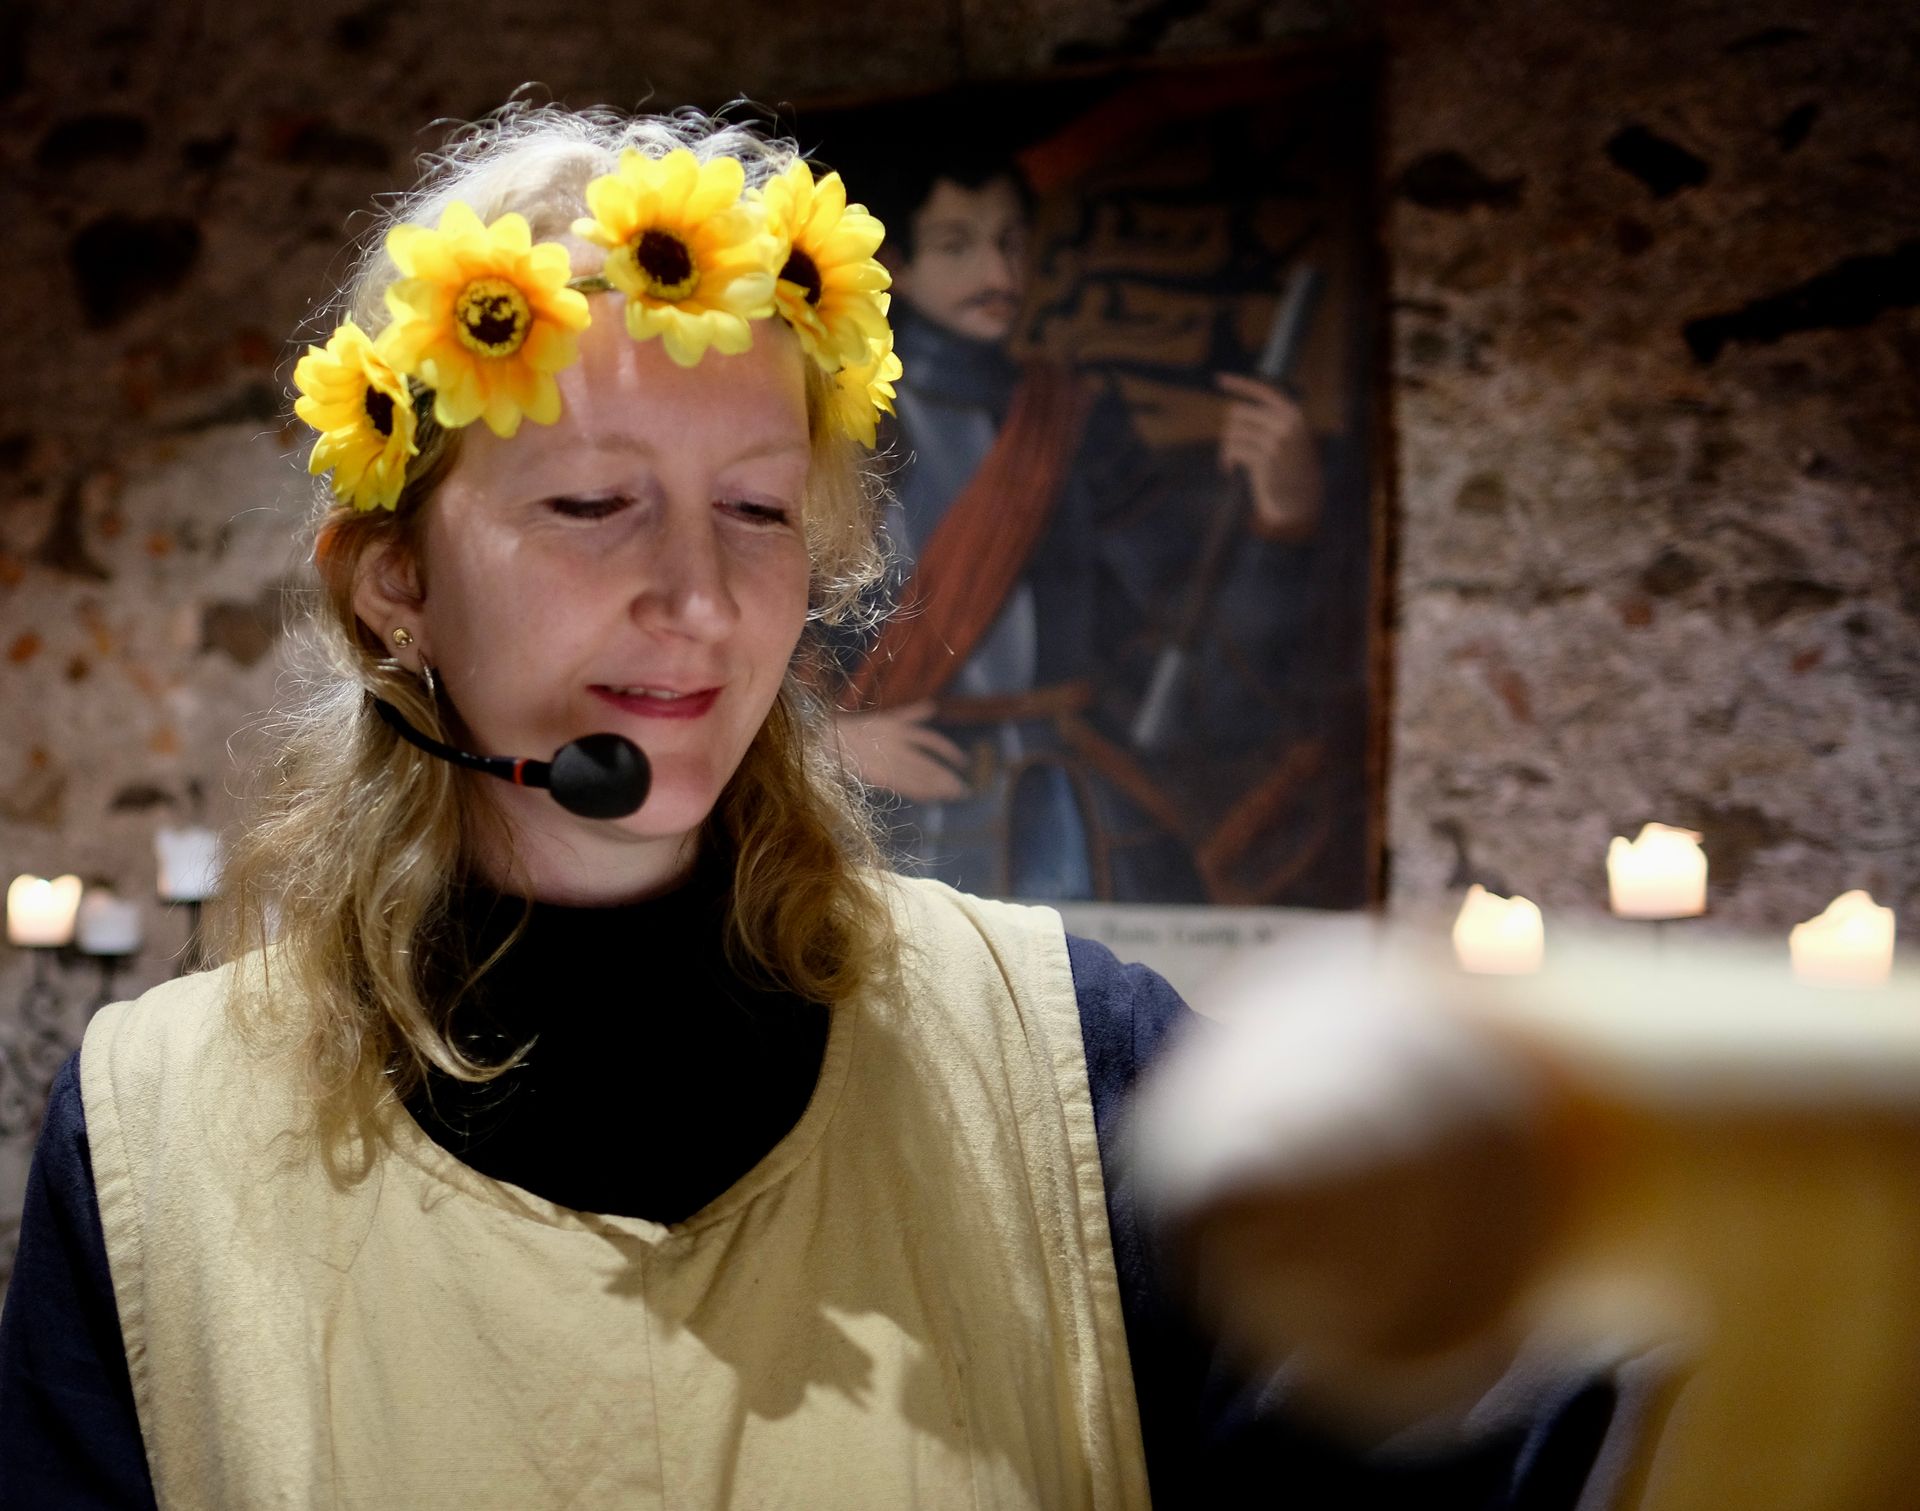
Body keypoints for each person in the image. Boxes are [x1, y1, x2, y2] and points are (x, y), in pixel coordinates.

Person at [0, 106, 1613, 1508]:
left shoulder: (1079, 1059)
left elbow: (1464, 1441)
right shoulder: (152, 1141)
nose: (700, 599)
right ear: (394, 583)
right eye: (593, 502)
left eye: (759, 510)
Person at [830, 134, 1325, 902]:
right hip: (890, 800)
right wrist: (830, 743)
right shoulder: (834, 420)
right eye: (958, 246)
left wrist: (1281, 514)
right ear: (893, 262)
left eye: (1011, 243)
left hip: (1071, 807)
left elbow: (1181, 622)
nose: (1000, 275)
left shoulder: (1077, 420)